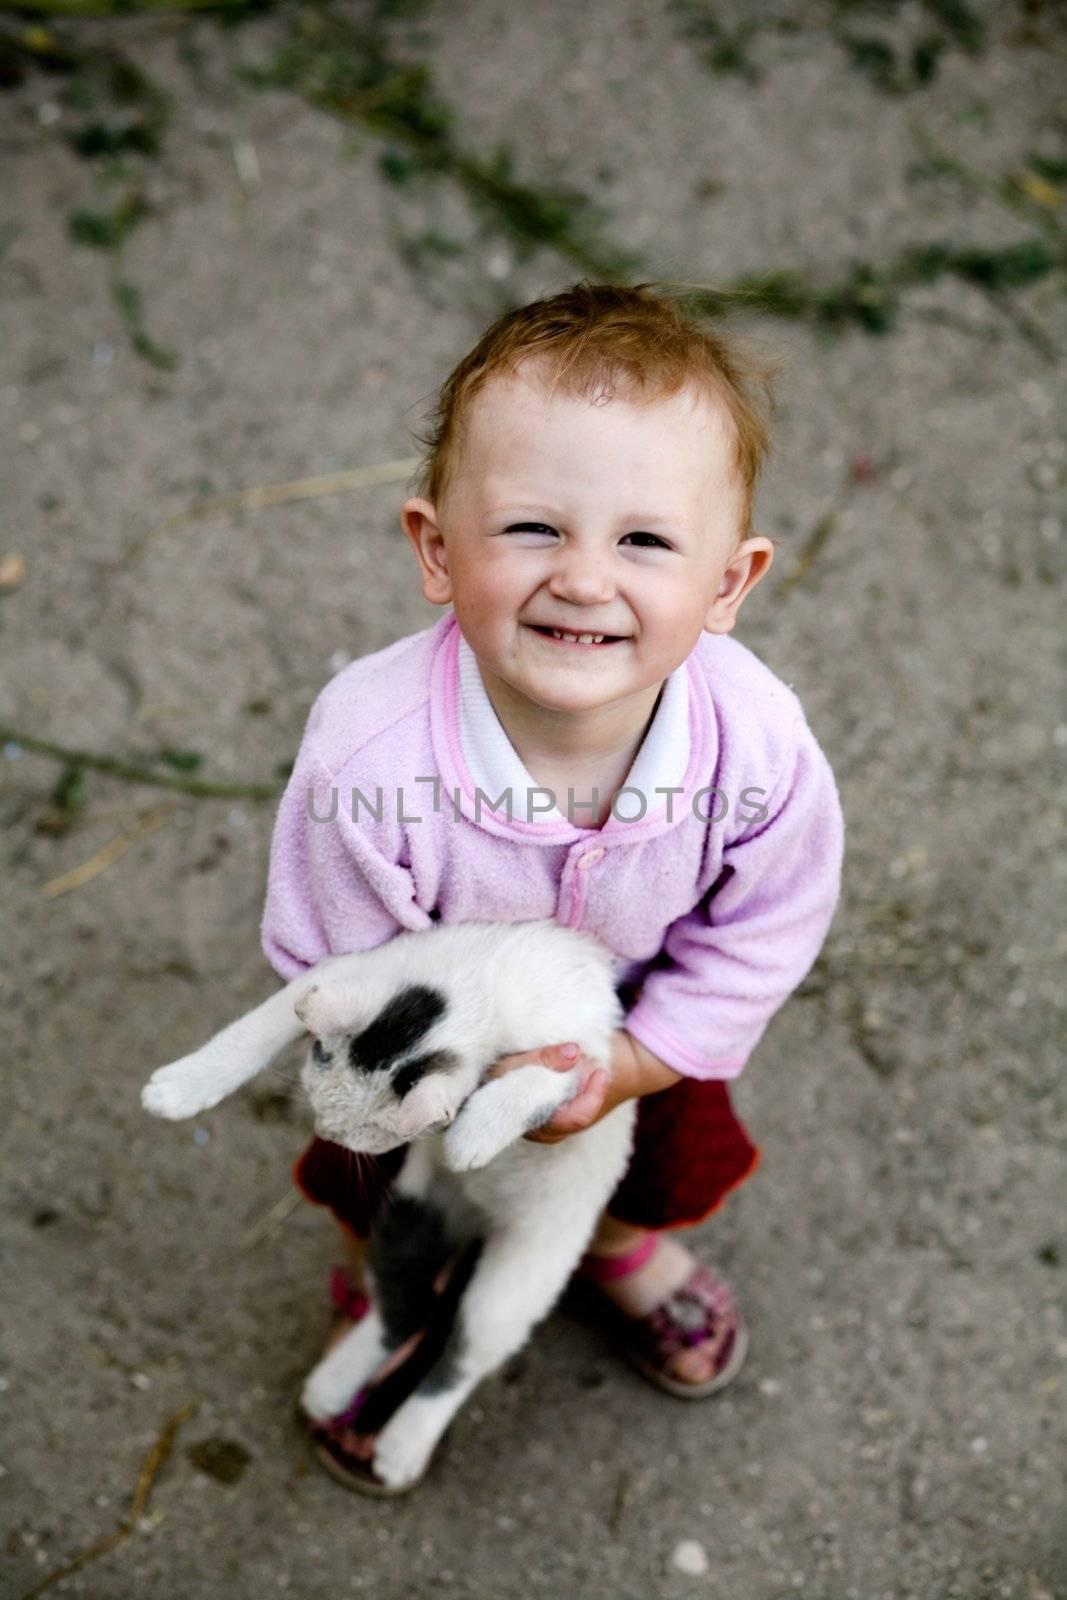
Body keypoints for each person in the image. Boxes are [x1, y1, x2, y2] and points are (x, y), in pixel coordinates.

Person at [260, 280, 844, 1473]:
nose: (583, 577)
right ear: (435, 548)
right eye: (533, 527)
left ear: (727, 584)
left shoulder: (758, 747)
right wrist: (454, 1079)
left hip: (636, 1024)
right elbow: (340, 967)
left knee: (658, 1152)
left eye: (642, 540)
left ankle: (613, 1243)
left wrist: (630, 1064)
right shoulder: (369, 755)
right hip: (417, 1058)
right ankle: (390, 1285)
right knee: (377, 1175)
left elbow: (766, 923)